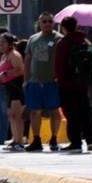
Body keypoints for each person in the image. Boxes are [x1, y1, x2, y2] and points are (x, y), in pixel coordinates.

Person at [54, 16, 92, 153]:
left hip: (67, 84)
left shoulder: (63, 43)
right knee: (85, 111)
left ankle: (76, 142)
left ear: (63, 28)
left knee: (71, 113)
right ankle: (90, 140)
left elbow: (59, 65)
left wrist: (59, 79)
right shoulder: (84, 41)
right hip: (82, 83)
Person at [24, 13, 63, 152]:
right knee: (35, 112)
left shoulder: (59, 38)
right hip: (35, 81)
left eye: (50, 21)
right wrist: (26, 79)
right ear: (39, 23)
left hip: (52, 82)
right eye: (44, 21)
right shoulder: (32, 39)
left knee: (55, 111)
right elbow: (28, 59)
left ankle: (54, 139)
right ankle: (36, 140)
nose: (47, 24)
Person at [0, 33, 26, 151]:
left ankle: (19, 141)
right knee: (11, 115)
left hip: (16, 87)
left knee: (16, 115)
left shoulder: (14, 55)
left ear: (9, 44)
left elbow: (20, 70)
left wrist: (6, 74)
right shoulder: (4, 56)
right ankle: (15, 139)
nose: (0, 45)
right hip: (8, 88)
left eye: (3, 42)